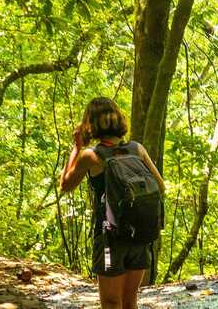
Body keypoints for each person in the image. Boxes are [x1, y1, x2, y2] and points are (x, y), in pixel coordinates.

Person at [59, 97, 165, 309]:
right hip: (140, 237)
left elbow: (65, 184)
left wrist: (76, 147)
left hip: (110, 240)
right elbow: (160, 187)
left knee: (110, 303)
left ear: (91, 124)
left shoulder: (91, 156)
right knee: (129, 302)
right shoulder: (137, 149)